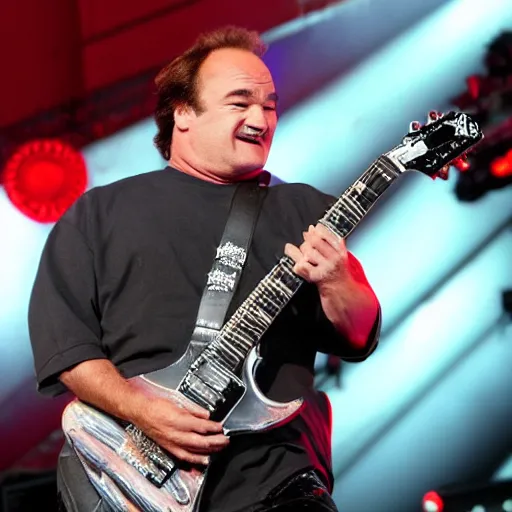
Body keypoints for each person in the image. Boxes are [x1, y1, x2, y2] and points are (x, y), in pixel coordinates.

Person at [28, 26, 381, 512]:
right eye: (240, 102)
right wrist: (142, 412)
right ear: (184, 113)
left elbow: (359, 336)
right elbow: (67, 349)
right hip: (136, 484)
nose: (261, 117)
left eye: (270, 105)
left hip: (278, 477)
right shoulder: (99, 214)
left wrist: (337, 281)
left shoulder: (305, 210)